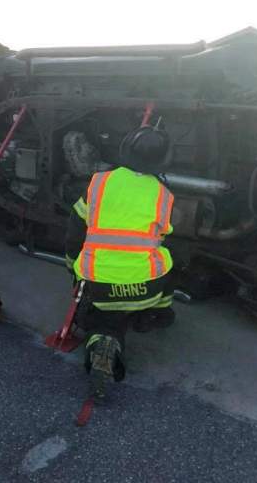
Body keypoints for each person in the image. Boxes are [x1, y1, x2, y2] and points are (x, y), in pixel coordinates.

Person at [65, 123, 175, 399]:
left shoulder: (100, 183)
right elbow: (163, 235)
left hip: (99, 284)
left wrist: (72, 265)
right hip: (147, 288)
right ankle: (157, 313)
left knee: (101, 319)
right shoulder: (164, 195)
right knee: (168, 258)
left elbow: (75, 228)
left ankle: (103, 341)